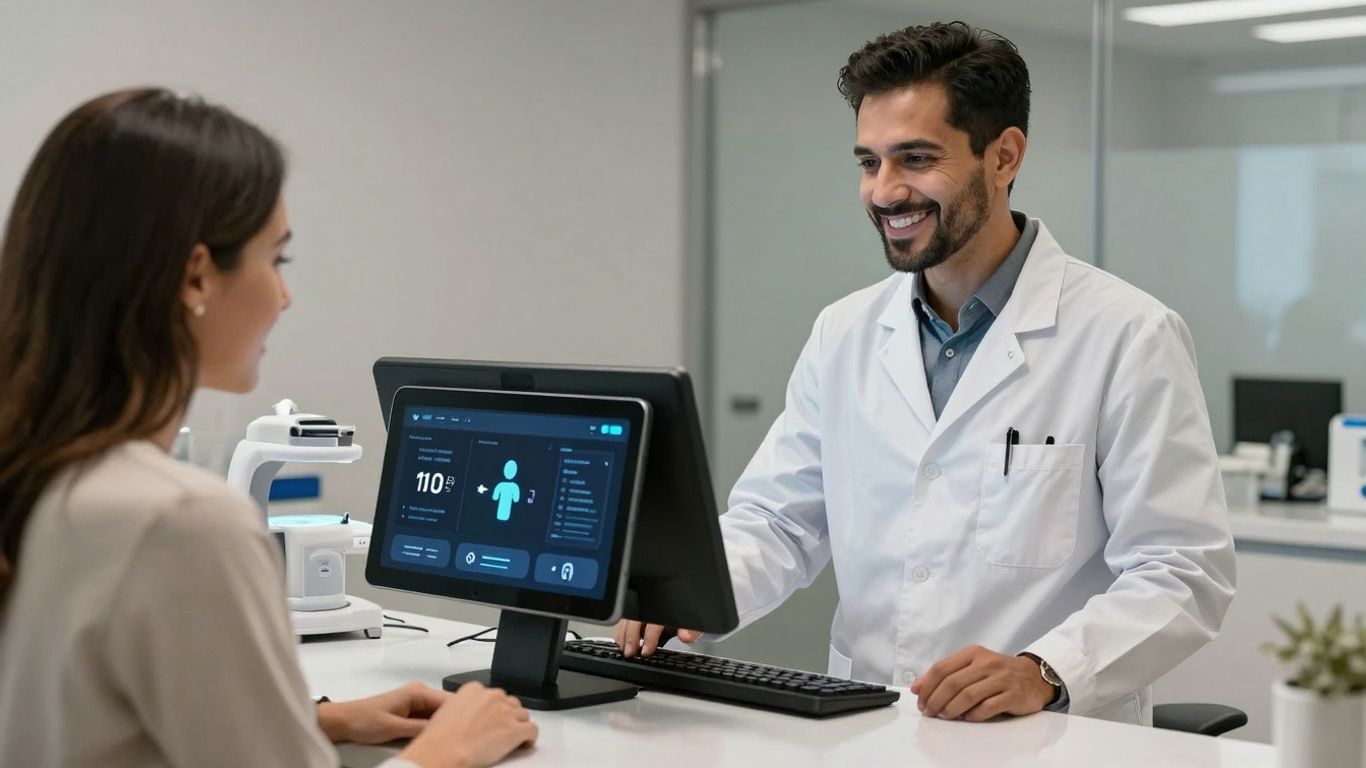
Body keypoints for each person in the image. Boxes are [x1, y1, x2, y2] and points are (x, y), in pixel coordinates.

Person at [616, 21, 1236, 725]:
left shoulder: (1127, 335)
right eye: (868, 162)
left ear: (1003, 157)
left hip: (1048, 740)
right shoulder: (844, 332)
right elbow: (779, 521)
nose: (884, 191)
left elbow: (1183, 571)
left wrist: (1045, 670)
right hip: (865, 727)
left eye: (914, 159)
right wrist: (687, 597)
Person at [0, 88, 537, 767]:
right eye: (276, 259)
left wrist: (322, 722)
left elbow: (100, 720)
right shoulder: (181, 521)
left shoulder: (45, 477)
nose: (285, 296)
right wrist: (451, 751)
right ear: (196, 277)